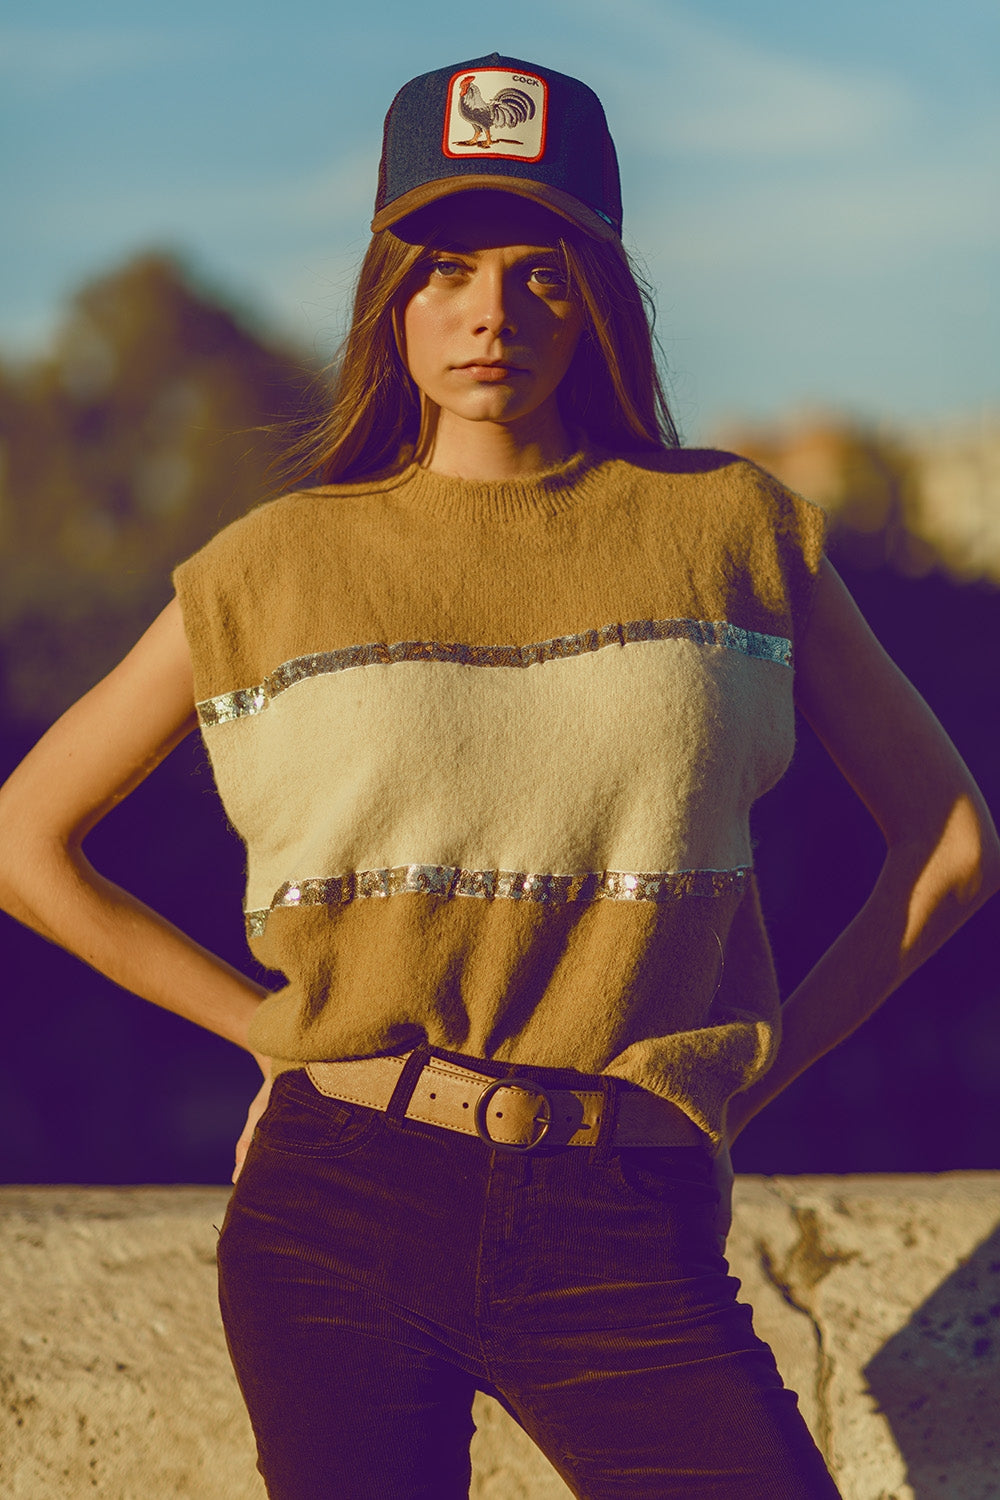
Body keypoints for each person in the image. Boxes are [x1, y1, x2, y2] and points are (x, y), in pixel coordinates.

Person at [0, 51, 996, 1500]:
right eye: (447, 268)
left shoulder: (734, 530)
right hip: (335, 1201)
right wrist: (269, 1035)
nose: (489, 314)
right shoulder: (276, 564)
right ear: (388, 296)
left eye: (541, 272)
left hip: (627, 1209)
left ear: (599, 295)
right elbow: (27, 837)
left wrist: (744, 1080)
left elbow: (953, 842)